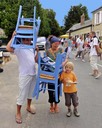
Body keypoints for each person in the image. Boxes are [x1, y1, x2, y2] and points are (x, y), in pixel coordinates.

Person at [6, 31, 39, 124]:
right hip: (24, 75)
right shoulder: (19, 47)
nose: (28, 41)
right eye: (25, 39)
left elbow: (36, 60)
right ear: (22, 40)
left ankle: (28, 106)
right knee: (22, 94)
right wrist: (13, 37)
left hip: (33, 73)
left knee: (30, 93)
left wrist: (37, 51)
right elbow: (8, 48)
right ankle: (18, 113)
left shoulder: (31, 48)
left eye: (29, 39)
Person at [46, 36, 64, 113]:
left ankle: (56, 105)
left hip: (58, 73)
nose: (56, 46)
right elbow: (46, 61)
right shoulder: (48, 51)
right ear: (51, 44)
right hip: (50, 73)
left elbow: (65, 58)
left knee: (57, 89)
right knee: (50, 89)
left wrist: (63, 64)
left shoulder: (60, 50)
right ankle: (51, 105)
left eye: (57, 44)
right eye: (55, 44)